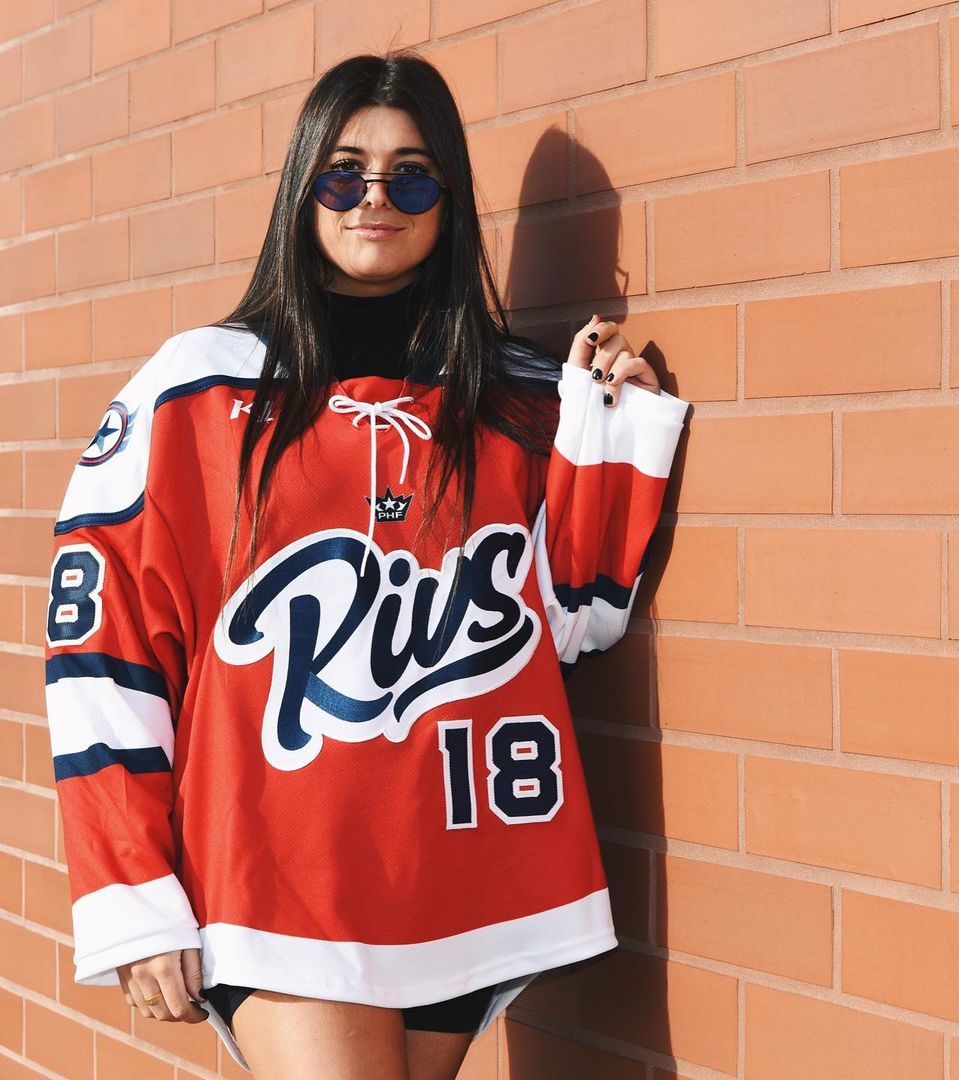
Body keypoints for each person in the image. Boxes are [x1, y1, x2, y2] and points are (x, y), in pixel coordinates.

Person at [42, 49, 691, 1080]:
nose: (375, 199)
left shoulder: (518, 396)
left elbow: (576, 617)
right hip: (271, 873)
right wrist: (130, 891)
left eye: (412, 178)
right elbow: (101, 647)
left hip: (457, 867)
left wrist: (611, 428)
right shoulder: (195, 389)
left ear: (450, 202)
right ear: (303, 189)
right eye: (344, 174)